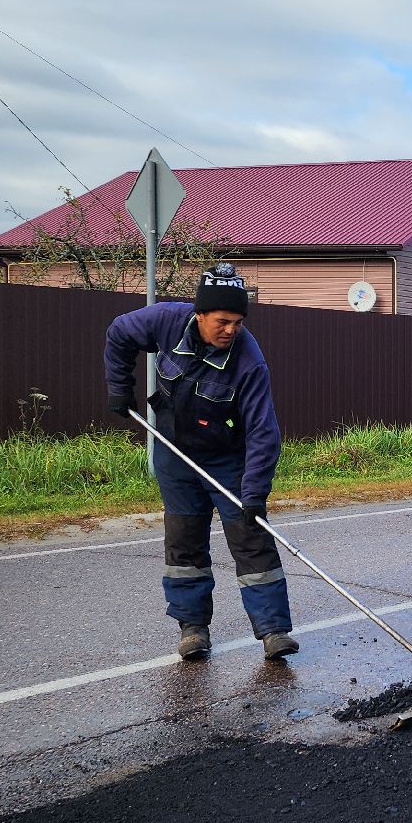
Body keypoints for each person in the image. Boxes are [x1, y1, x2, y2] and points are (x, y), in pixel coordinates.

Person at [105, 266, 298, 663]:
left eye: (238, 322)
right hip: (174, 452)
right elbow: (119, 333)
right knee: (185, 542)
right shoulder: (166, 322)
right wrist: (119, 388)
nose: (231, 330)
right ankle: (193, 629)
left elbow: (264, 432)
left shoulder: (249, 362)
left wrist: (255, 493)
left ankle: (273, 631)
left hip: (228, 458)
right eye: (223, 321)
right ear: (200, 314)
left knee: (251, 539)